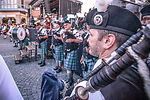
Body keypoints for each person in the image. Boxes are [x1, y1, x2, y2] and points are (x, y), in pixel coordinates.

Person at [70, 5, 149, 100]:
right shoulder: (110, 62)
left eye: (91, 35)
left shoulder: (111, 90)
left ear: (108, 41)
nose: (88, 40)